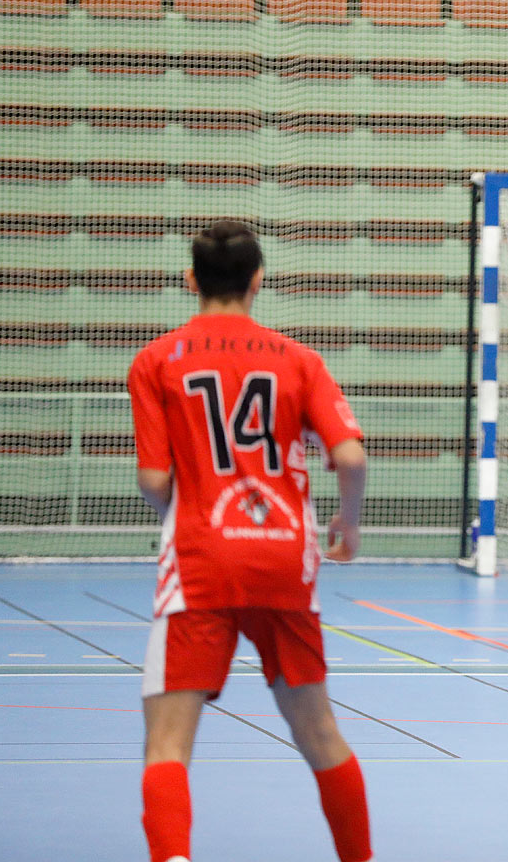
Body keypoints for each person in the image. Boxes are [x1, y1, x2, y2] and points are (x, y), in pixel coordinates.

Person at [127, 222, 373, 862]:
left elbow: (154, 478)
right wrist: (346, 526)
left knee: (168, 746)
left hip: (201, 560)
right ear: (258, 282)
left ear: (191, 281)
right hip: (284, 558)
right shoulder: (297, 359)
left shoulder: (156, 360)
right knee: (320, 733)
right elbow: (349, 455)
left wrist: (190, 505)